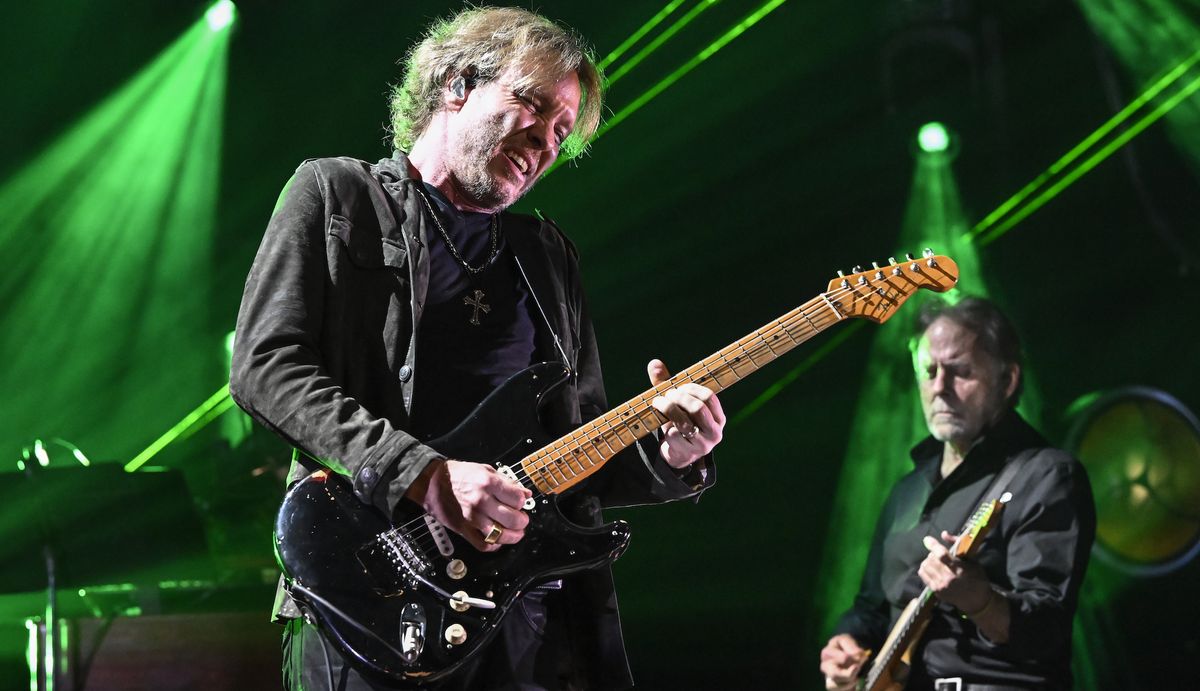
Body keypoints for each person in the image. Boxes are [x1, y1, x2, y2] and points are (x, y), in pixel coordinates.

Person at [228, 6, 725, 691]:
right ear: (457, 84)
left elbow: (577, 447)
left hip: (526, 625)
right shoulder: (338, 196)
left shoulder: (545, 256)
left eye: (561, 131)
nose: (547, 141)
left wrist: (672, 455)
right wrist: (427, 475)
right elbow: (265, 368)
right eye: (532, 103)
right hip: (371, 604)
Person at [818, 297, 1095, 690]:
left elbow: (1046, 631)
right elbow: (871, 607)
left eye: (960, 372)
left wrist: (980, 599)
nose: (939, 388)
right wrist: (846, 644)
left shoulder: (1046, 475)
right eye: (929, 371)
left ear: (1007, 380)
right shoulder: (907, 489)